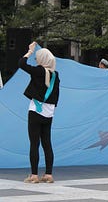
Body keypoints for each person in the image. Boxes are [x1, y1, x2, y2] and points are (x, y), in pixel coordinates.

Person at [18, 41, 60, 183]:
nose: (36, 60)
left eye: (37, 58)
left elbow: (21, 64)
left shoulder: (38, 71)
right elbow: (56, 96)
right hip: (49, 114)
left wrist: (30, 52)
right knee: (47, 143)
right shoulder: (55, 75)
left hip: (35, 111)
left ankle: (34, 175)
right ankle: (49, 174)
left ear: (42, 60)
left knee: (34, 143)